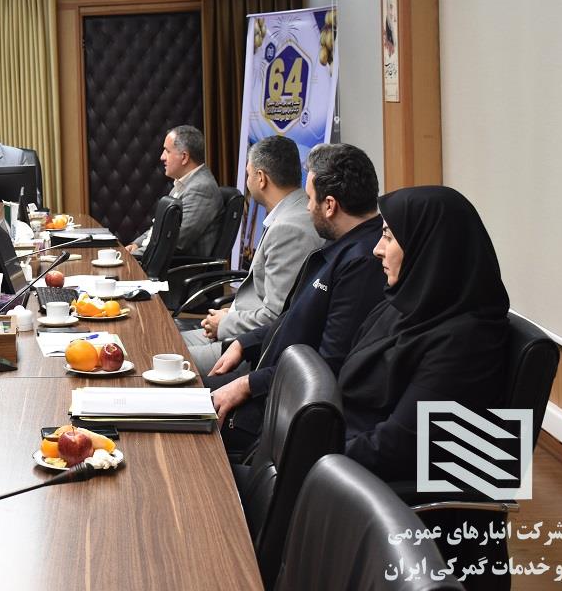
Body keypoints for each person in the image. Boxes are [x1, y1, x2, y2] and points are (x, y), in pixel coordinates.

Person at [206, 143, 386, 455]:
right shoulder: (344, 247)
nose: (306, 207)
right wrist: (245, 342)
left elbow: (327, 366)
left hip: (282, 411)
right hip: (271, 384)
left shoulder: (362, 263)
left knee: (175, 414)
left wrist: (248, 385)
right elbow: (296, 317)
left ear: (329, 205)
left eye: (310, 198)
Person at [339, 185, 509, 481]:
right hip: (344, 444)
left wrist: (311, 454)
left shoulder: (467, 341)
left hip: (376, 483)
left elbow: (395, 447)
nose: (377, 249)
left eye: (388, 236)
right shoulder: (402, 305)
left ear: (430, 246)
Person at [181, 135, 323, 374]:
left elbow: (276, 317)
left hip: (252, 349)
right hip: (238, 326)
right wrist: (230, 315)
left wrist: (226, 323)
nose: (247, 181)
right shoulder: (294, 211)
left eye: (248, 174)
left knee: (158, 355)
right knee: (158, 341)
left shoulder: (290, 228)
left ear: (261, 178)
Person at [127, 125, 222, 259]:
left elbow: (173, 242)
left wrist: (132, 257)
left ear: (184, 157)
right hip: (154, 259)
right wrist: (136, 245)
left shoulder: (201, 188)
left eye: (167, 151)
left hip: (175, 268)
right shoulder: (184, 183)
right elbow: (159, 228)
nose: (162, 157)